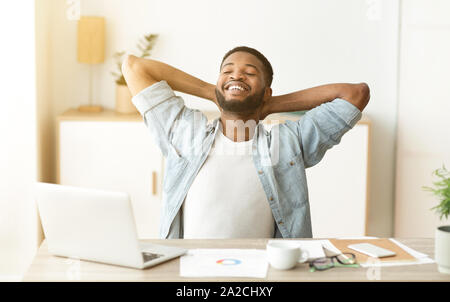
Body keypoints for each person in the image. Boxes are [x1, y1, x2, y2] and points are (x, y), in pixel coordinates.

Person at [122, 46, 370, 239]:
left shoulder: (288, 144)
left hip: (261, 275)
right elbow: (134, 67)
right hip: (189, 273)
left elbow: (355, 93)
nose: (237, 75)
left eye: (250, 73)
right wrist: (216, 92)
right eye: (227, 72)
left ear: (266, 91)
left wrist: (269, 104)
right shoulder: (187, 134)